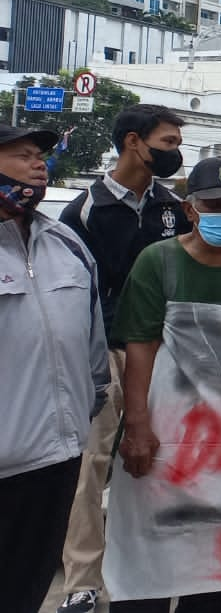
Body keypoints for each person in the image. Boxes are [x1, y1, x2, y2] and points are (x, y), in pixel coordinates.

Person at [113, 157, 221, 613]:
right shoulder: (159, 262)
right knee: (153, 542)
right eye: (214, 204)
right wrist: (138, 426)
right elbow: (141, 345)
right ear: (191, 210)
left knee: (212, 552)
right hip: (166, 428)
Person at [57, 104, 189, 613]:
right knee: (91, 468)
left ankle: (149, 567)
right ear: (135, 142)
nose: (174, 151)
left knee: (157, 461)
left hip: (164, 352)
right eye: (168, 141)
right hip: (108, 349)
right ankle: (82, 583)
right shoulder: (85, 210)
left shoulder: (173, 207)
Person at [0, 124, 108, 613]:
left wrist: (89, 403)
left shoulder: (65, 242)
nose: (38, 165)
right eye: (22, 155)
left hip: (55, 460)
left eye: (39, 155)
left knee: (27, 587)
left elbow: (92, 341)